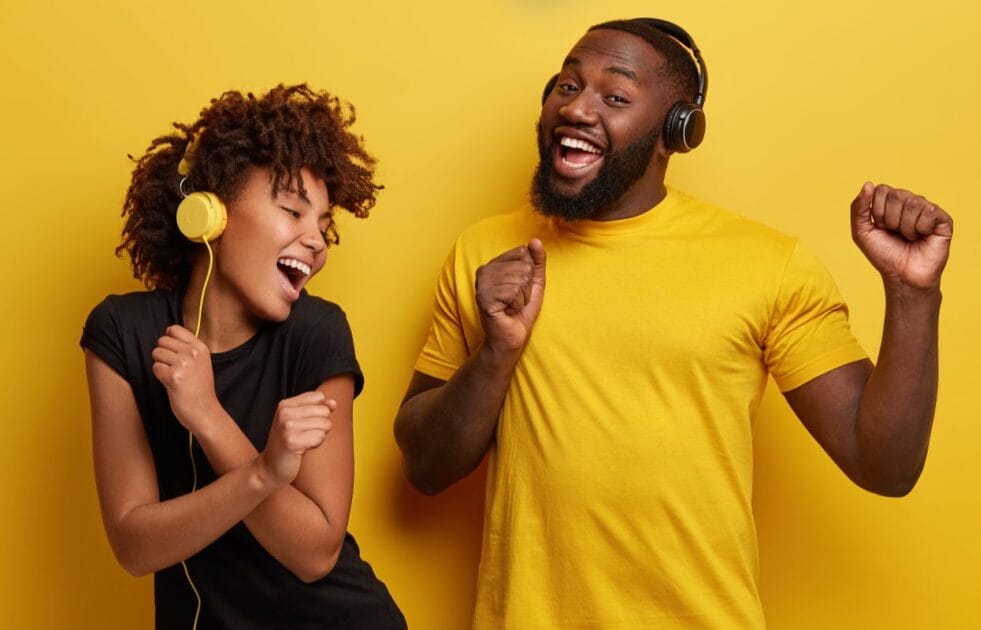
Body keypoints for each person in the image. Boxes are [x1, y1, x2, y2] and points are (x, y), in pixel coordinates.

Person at [394, 18, 952, 629]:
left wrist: (912, 294)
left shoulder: (767, 265)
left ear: (676, 130)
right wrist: (497, 351)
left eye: (615, 96)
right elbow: (424, 468)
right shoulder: (486, 251)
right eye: (566, 85)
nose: (577, 108)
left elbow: (885, 466)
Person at [82, 84, 406, 629]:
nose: (317, 242)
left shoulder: (318, 335)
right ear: (210, 213)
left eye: (323, 226)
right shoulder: (123, 334)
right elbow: (134, 547)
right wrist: (263, 474)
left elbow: (315, 554)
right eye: (292, 211)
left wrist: (209, 419)